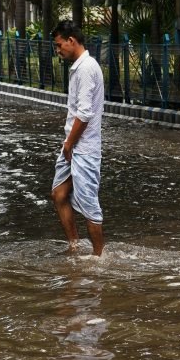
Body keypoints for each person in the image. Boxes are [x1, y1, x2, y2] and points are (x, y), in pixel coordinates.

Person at [49, 20, 105, 256]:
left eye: (60, 45)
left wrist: (70, 144)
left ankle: (99, 256)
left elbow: (84, 113)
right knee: (59, 193)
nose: (58, 51)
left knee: (89, 205)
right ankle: (74, 245)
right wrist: (68, 144)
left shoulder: (86, 68)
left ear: (71, 41)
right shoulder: (79, 67)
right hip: (72, 145)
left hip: (83, 147)